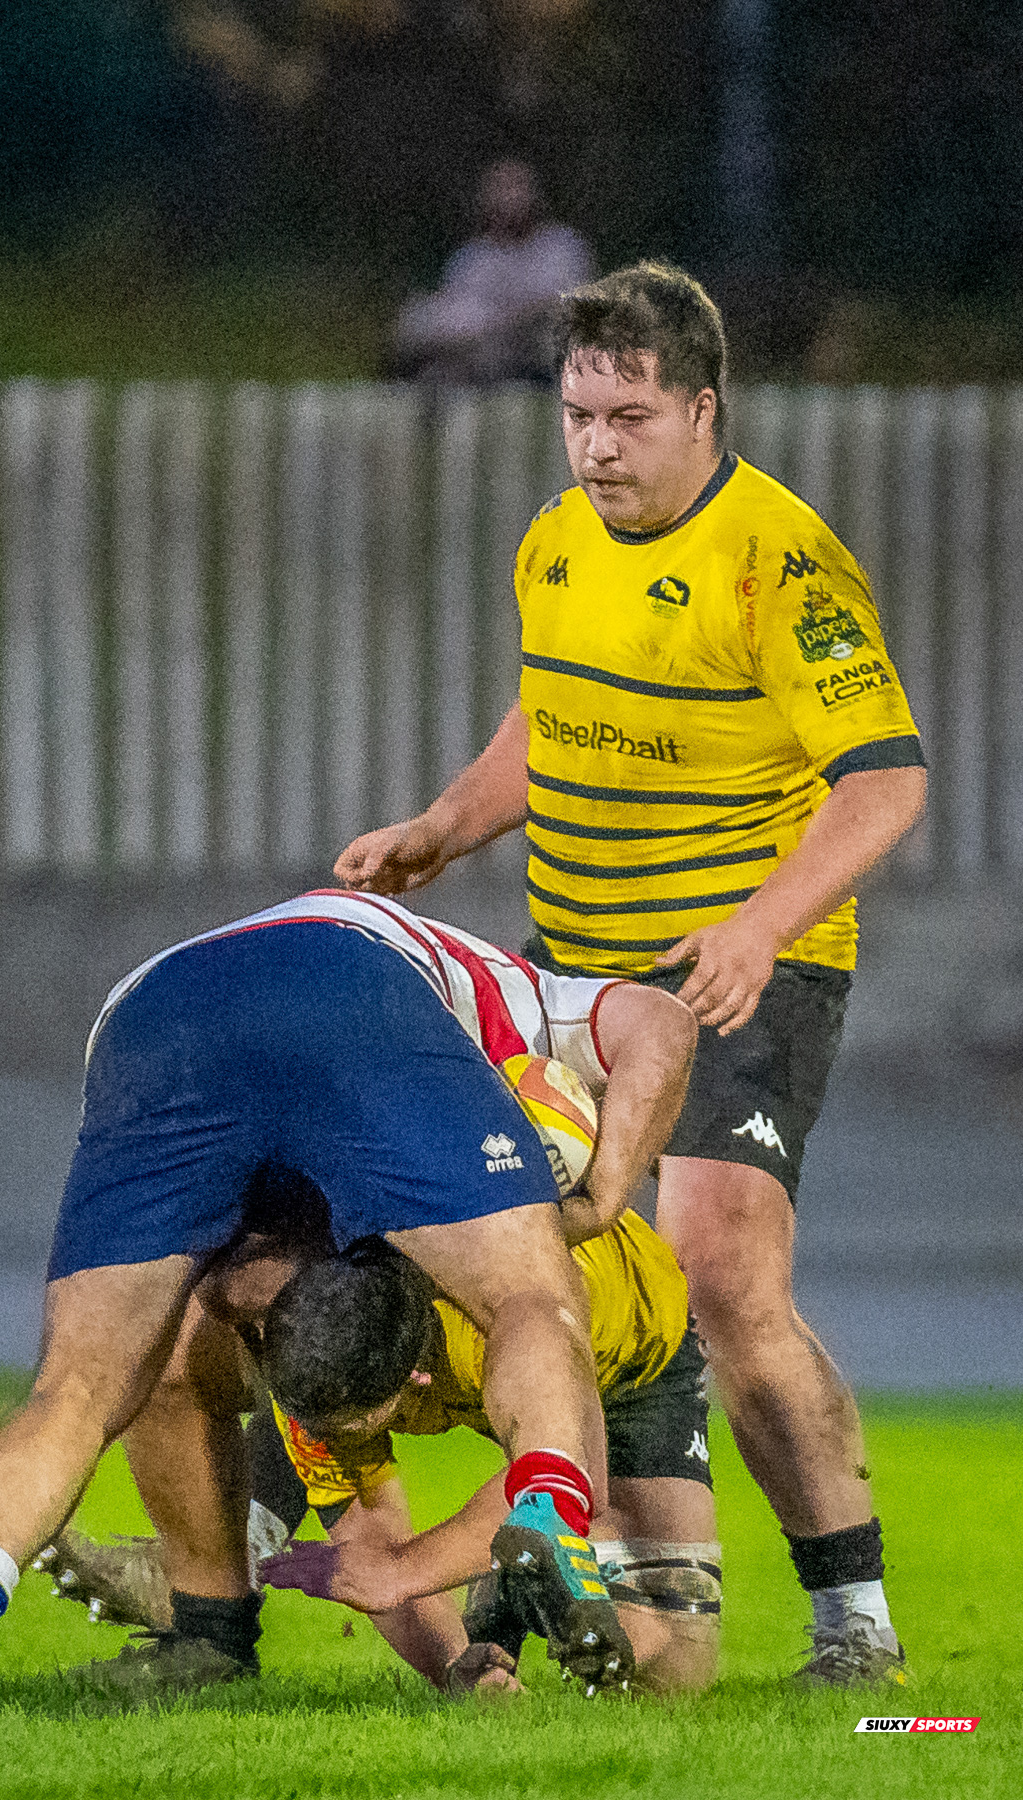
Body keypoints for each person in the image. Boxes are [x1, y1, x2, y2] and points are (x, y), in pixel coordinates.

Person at [335, 262, 928, 1687]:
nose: (597, 445)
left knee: (721, 1277)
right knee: (535, 1267)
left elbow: (887, 782)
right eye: (577, 413)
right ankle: (586, 1585)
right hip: (570, 981)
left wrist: (761, 926)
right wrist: (440, 829)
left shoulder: (778, 562)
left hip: (733, 977)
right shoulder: (555, 541)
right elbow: (551, 720)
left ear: (703, 410)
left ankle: (856, 1628)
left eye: (629, 416)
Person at [0, 889, 695, 1695]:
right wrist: (605, 1193)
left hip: (154, 1015)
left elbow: (239, 1282)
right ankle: (549, 1509)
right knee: (531, 1302)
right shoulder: (520, 1001)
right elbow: (664, 1023)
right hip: (347, 984)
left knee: (81, 1384)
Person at [41, 1226, 719, 1699]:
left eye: (345, 1427)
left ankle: (511, 1587)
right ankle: (497, 1612)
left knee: (668, 1671)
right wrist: (456, 1671)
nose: (314, 1435)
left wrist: (408, 1570)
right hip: (451, 1374)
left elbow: (574, 1479)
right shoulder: (316, 1351)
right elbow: (367, 1554)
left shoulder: (506, 1339)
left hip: (635, 1363)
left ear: (415, 1383)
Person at [394, 159, 593, 385]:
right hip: (480, 348)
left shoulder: (560, 246)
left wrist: (501, 322)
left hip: (533, 347)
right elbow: (453, 308)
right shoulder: (473, 258)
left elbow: (564, 304)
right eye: (500, 188)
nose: (509, 198)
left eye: (515, 187)